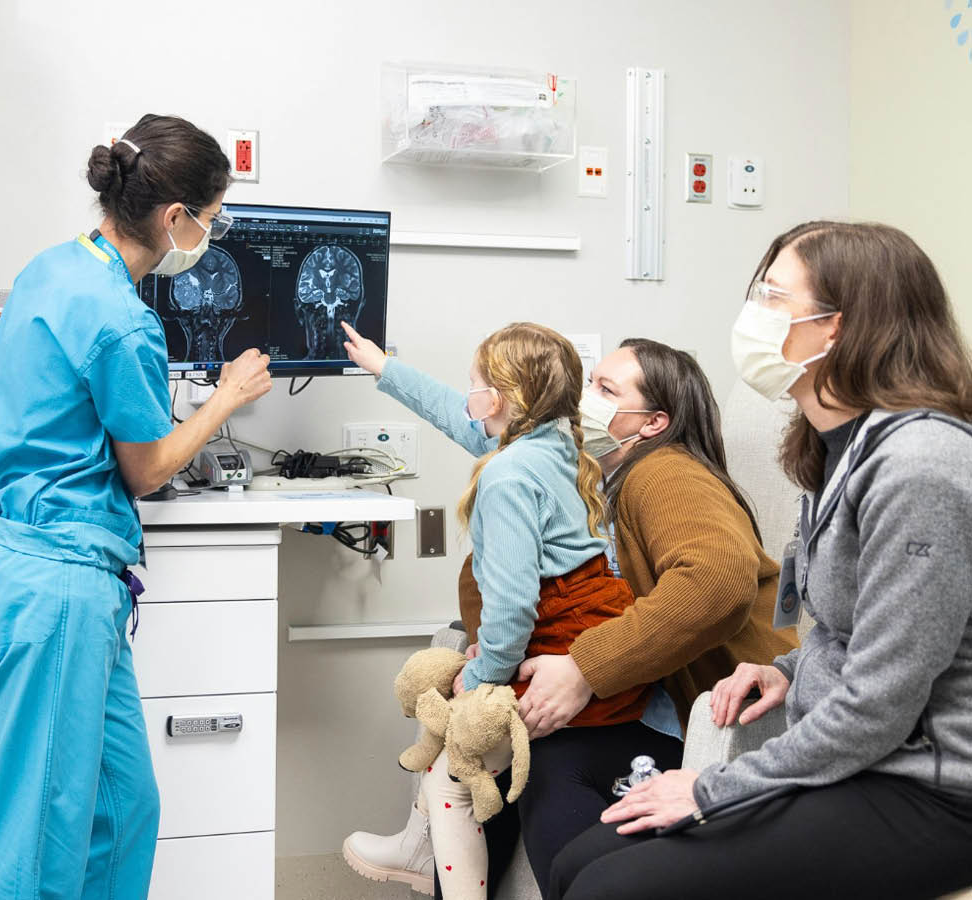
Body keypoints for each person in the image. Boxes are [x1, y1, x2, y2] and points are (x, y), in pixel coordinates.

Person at [551, 222, 972, 900]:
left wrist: (713, 787)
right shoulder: (838, 450)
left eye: (774, 297)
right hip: (862, 759)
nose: (753, 315)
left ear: (840, 327)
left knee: (612, 887)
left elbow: (882, 700)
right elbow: (868, 629)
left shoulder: (920, 467)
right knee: (582, 859)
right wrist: (788, 669)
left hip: (930, 788)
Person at [345, 338, 797, 897]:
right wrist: (386, 369)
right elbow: (478, 425)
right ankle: (427, 845)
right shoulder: (573, 466)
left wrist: (581, 668)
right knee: (495, 736)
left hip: (705, 710)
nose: (585, 401)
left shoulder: (666, 474)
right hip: (639, 690)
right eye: (590, 384)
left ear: (654, 423)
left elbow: (716, 584)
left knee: (535, 756)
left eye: (607, 390)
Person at [0, 114, 272, 900]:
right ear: (175, 220)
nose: (213, 230)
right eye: (215, 216)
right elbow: (149, 470)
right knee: (36, 831)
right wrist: (225, 399)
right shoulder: (125, 320)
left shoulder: (50, 269)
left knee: (122, 807)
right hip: (57, 581)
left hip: (58, 576)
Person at [341, 320, 656, 900]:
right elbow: (454, 415)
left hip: (561, 653)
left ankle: (431, 864)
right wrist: (386, 368)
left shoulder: (508, 475)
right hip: (594, 629)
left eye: (475, 387)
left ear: (504, 399)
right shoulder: (560, 443)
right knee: (445, 687)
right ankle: (415, 845)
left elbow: (510, 611)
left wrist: (481, 676)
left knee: (453, 771)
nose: (468, 399)